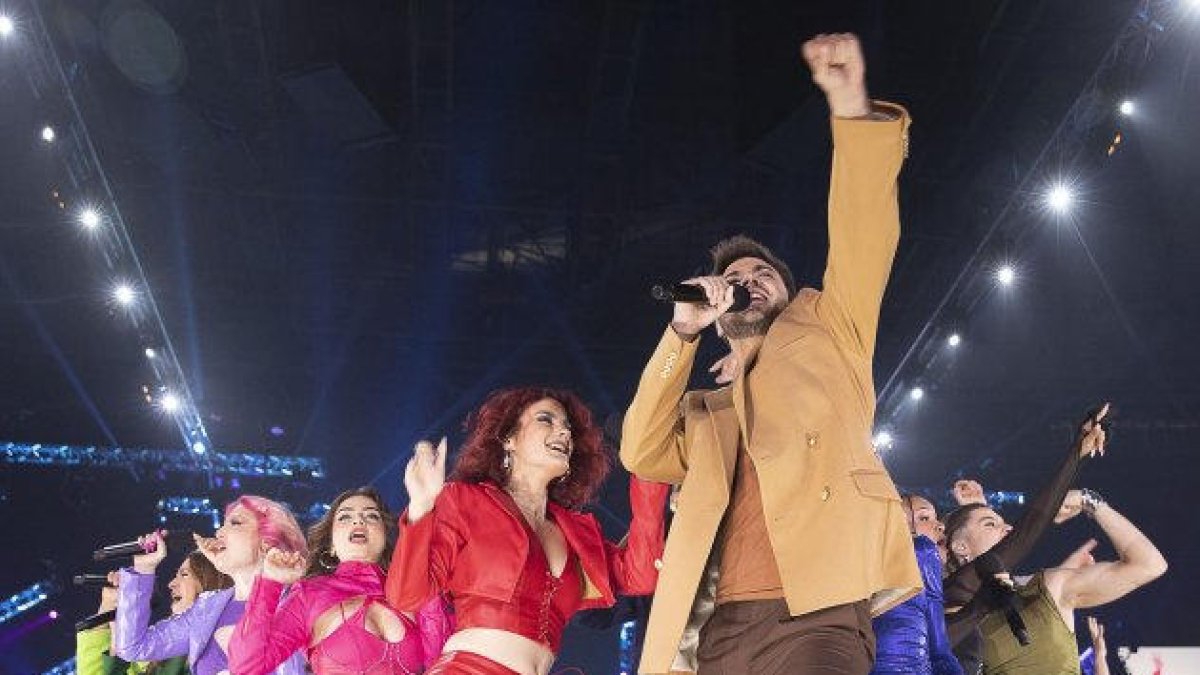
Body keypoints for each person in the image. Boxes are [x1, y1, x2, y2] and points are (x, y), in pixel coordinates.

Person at [620, 32, 921, 674]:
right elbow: (640, 448)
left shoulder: (832, 329)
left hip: (820, 610)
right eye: (737, 278)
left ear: (790, 292)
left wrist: (849, 107)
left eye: (764, 274)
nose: (749, 280)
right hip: (725, 629)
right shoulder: (710, 413)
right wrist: (682, 334)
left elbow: (863, 229)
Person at [387, 386, 669, 674]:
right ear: (509, 439)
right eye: (546, 420)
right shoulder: (463, 500)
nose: (564, 433)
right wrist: (421, 507)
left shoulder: (575, 532)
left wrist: (649, 471)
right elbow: (406, 596)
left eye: (567, 427)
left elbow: (642, 575)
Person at [228, 486, 452, 674]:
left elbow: (443, 662)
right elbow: (246, 666)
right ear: (332, 545)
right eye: (345, 516)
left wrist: (426, 576)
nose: (359, 521)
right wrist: (269, 583)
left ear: (384, 536)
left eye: (371, 516)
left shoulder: (414, 588)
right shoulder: (309, 594)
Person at [944, 484, 1166, 673]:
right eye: (991, 524)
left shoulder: (1046, 588)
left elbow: (1148, 565)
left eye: (1005, 523)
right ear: (959, 546)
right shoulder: (944, 609)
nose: (1010, 529)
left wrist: (1089, 501)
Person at [112, 496, 308, 675]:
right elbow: (132, 647)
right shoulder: (207, 608)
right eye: (222, 525)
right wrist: (144, 568)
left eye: (235, 523)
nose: (219, 532)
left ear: (267, 542)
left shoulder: (298, 604)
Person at [77, 552, 232, 675]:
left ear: (211, 582)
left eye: (184, 574)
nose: (171, 584)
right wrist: (111, 606)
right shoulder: (154, 655)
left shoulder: (223, 645)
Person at [870, 494, 963, 675]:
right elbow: (940, 651)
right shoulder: (924, 550)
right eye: (924, 518)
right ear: (898, 525)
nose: (940, 526)